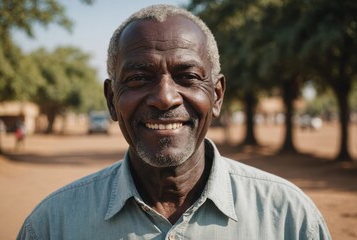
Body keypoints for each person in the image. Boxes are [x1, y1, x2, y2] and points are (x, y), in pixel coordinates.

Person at [17, 4, 331, 240]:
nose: (165, 98)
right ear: (112, 100)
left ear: (217, 96)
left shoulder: (289, 218)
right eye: (139, 78)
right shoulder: (52, 225)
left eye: (188, 77)